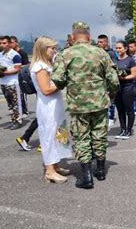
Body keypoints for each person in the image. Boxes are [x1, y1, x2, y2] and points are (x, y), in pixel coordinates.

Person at [52, 22, 119, 189]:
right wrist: (110, 94)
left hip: (78, 105)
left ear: (73, 37)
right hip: (100, 103)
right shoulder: (101, 53)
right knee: (99, 136)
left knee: (82, 138)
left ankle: (86, 177)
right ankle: (101, 171)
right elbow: (113, 80)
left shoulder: (65, 54)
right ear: (89, 37)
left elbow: (58, 79)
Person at [29, 37, 72, 183]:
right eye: (52, 48)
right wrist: (63, 83)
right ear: (43, 49)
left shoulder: (47, 64)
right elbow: (46, 89)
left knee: (57, 134)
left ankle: (55, 165)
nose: (54, 51)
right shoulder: (40, 66)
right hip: (48, 106)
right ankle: (49, 171)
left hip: (54, 105)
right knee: (49, 136)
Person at [0, 35, 22, 129]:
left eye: (4, 43)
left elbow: (17, 69)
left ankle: (18, 121)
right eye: (0, 43)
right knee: (9, 104)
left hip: (12, 82)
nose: (2, 45)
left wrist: (4, 72)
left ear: (9, 43)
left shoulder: (15, 55)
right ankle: (13, 119)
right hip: (3, 82)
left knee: (15, 103)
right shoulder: (0, 55)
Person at [114, 41, 136, 139]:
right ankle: (122, 129)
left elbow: (133, 74)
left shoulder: (131, 60)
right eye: (117, 48)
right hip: (117, 89)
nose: (118, 50)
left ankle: (128, 130)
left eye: (120, 48)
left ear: (125, 48)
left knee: (129, 110)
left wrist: (123, 78)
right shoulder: (115, 61)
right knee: (120, 110)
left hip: (128, 88)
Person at [97, 34, 117, 128]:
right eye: (98, 41)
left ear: (106, 42)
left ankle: (111, 118)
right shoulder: (97, 52)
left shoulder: (111, 53)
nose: (99, 43)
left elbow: (113, 67)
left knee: (111, 100)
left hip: (108, 80)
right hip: (100, 81)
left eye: (101, 42)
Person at [10, 36, 30, 118]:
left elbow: (27, 65)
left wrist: (18, 67)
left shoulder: (22, 53)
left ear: (16, 43)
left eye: (12, 42)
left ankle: (25, 111)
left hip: (21, 76)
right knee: (14, 95)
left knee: (22, 95)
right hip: (12, 77)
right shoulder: (10, 54)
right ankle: (17, 111)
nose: (10, 45)